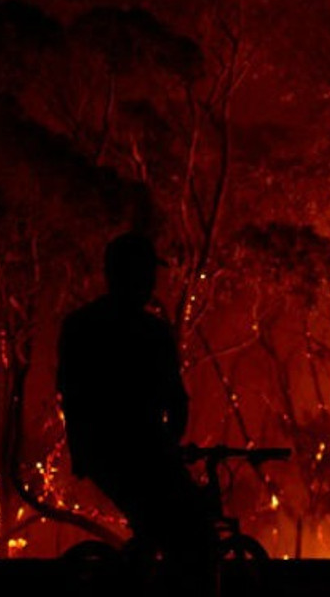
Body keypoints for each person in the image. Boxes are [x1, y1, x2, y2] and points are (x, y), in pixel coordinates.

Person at [56, 232, 214, 570]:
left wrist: (83, 451)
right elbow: (176, 401)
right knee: (190, 528)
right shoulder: (153, 333)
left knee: (152, 526)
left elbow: (70, 393)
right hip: (143, 452)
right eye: (147, 273)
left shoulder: (79, 326)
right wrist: (169, 447)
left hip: (98, 452)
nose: (151, 282)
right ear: (137, 275)